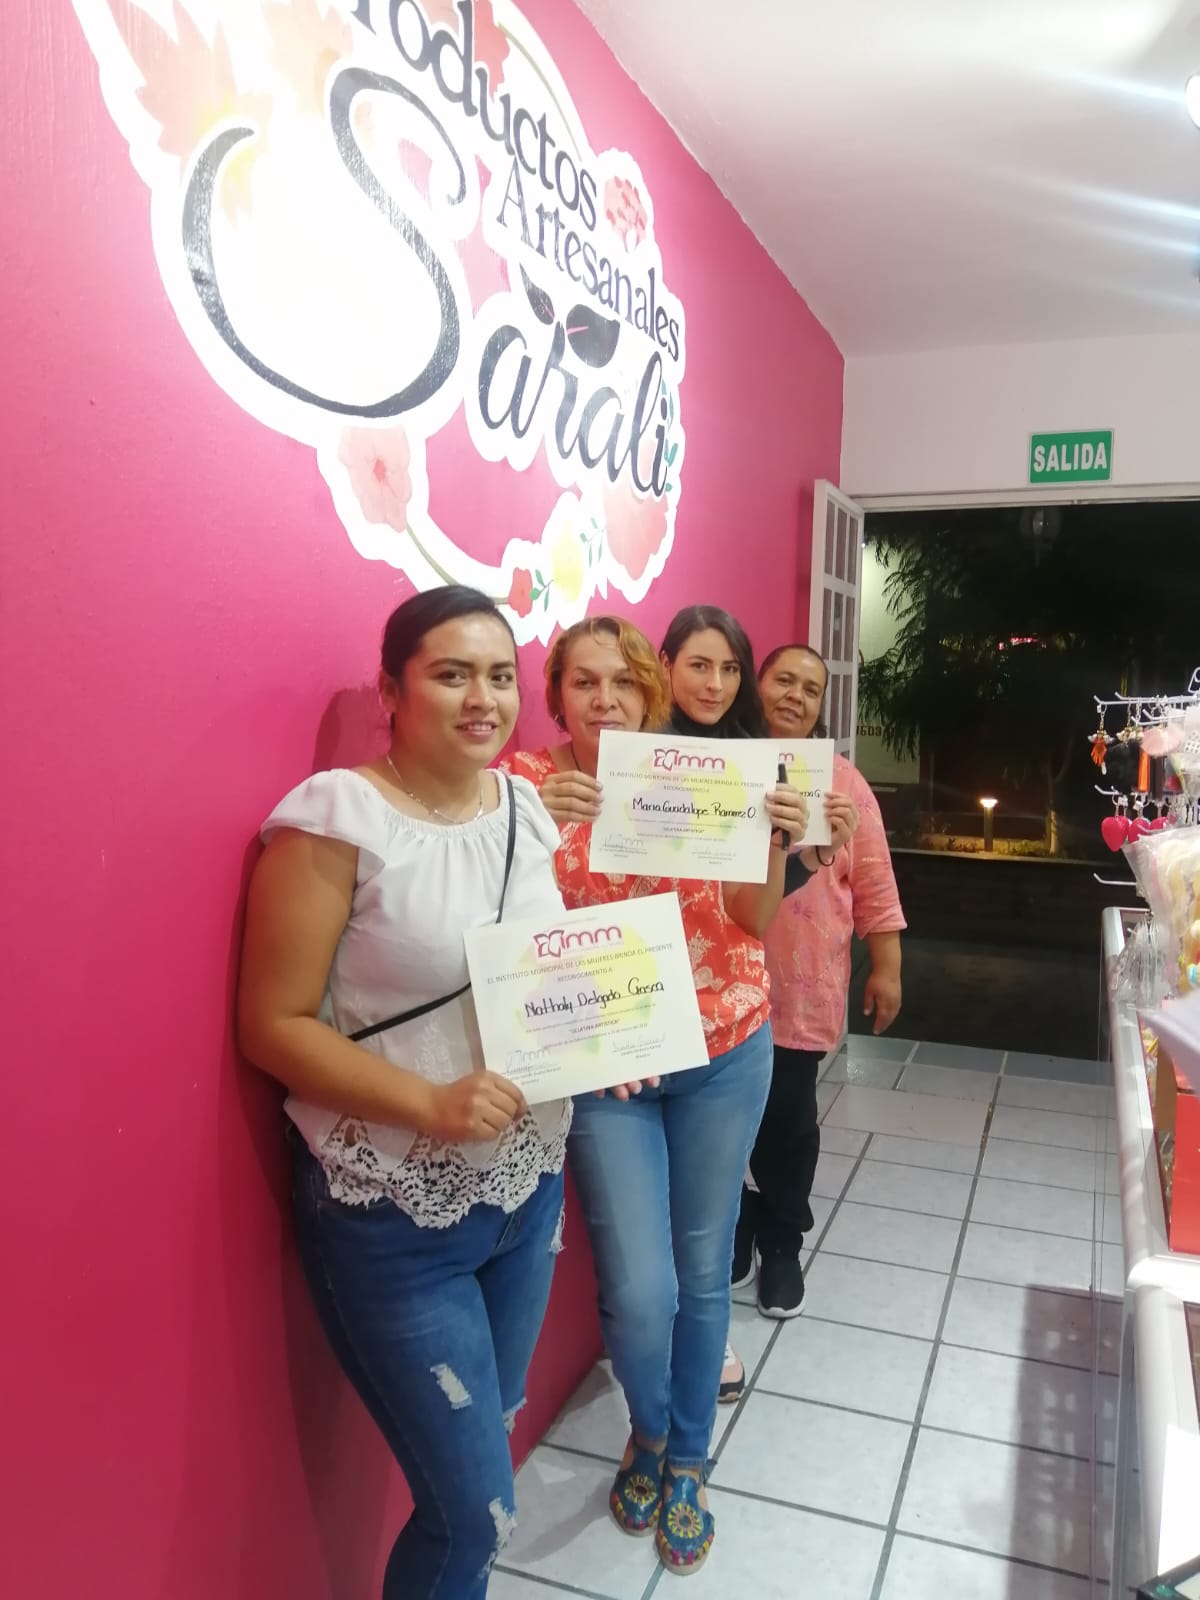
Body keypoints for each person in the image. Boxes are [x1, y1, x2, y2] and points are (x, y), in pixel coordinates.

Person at [237, 586, 572, 1600]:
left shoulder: (523, 806)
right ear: (391, 689)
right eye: (452, 674)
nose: (484, 699)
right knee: (472, 1511)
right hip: (391, 1209)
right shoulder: (336, 816)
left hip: (528, 1188)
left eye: (501, 676)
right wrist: (428, 1106)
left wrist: (602, 1041)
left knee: (492, 1444)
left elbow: (540, 975)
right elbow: (272, 1024)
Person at [509, 608, 848, 1575]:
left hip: (724, 1045)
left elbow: (748, 920)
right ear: (556, 694)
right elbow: (501, 931)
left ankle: (686, 1456)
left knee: (702, 1271)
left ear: (647, 688)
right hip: (607, 1063)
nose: (605, 699)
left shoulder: (697, 774)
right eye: (585, 682)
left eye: (623, 681)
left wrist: (775, 840)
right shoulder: (524, 786)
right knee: (637, 1286)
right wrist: (536, 828)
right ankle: (648, 1429)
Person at [734, 642, 905, 1319]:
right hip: (715, 988)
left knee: (787, 1126)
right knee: (718, 1125)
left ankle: (781, 1240)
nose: (796, 696)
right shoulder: (720, 765)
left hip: (797, 994)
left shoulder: (840, 785)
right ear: (757, 685)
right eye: (784, 680)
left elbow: (875, 881)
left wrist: (888, 968)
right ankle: (735, 1221)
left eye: (811, 688)